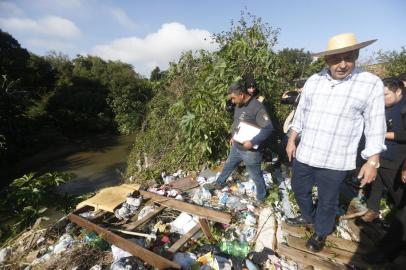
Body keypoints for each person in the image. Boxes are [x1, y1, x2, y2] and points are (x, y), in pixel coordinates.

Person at [285, 33, 387, 252]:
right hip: (307, 152)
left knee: (327, 200)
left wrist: (373, 159)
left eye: (348, 58)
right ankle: (308, 217)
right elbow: (300, 114)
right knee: (299, 188)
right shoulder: (314, 81)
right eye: (336, 59)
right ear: (326, 60)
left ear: (356, 56)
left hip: (336, 159)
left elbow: (375, 124)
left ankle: (321, 232)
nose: (342, 64)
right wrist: (292, 139)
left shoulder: (369, 84)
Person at [205, 81, 273, 204]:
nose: (232, 101)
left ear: (241, 95)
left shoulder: (257, 107)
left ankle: (261, 197)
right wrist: (233, 136)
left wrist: (253, 142)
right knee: (228, 165)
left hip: (250, 151)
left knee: (255, 175)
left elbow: (268, 129)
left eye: (233, 98)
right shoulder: (239, 104)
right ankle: (219, 183)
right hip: (237, 145)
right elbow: (237, 122)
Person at [361, 77, 406, 222]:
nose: (382, 99)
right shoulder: (380, 107)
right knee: (375, 183)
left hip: (397, 157)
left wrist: (382, 133)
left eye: (385, 95)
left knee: (397, 191)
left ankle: (400, 219)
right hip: (379, 152)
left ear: (398, 91)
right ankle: (373, 209)